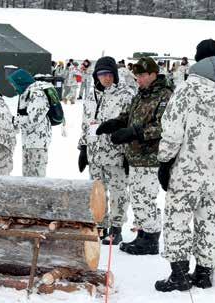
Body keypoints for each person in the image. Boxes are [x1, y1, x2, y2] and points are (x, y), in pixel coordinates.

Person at [154, 39, 215, 292]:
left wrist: (164, 161)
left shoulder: (187, 89)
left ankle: (179, 274)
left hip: (186, 171)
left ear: (198, 59)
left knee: (177, 219)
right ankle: (205, 272)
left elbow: (172, 131)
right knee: (209, 220)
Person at [97, 57, 172, 252]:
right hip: (136, 157)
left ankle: (151, 239)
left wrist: (135, 132)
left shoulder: (164, 96)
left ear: (153, 74)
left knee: (145, 198)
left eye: (141, 75)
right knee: (138, 199)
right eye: (136, 75)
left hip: (151, 157)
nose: (138, 79)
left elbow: (164, 126)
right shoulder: (141, 94)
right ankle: (144, 235)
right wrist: (116, 123)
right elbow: (128, 115)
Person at [80, 56, 134, 245]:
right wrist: (83, 147)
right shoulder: (90, 96)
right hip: (95, 155)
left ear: (115, 75)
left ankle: (116, 227)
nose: (106, 78)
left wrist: (129, 152)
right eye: (102, 74)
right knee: (97, 193)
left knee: (119, 192)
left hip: (116, 154)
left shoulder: (126, 95)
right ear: (97, 76)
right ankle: (101, 226)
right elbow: (85, 124)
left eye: (109, 74)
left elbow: (130, 124)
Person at [8, 69, 52, 177]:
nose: (13, 87)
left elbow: (34, 120)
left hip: (38, 143)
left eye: (14, 84)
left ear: (21, 82)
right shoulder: (26, 93)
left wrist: (14, 120)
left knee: (37, 178)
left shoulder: (37, 94)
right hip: (29, 141)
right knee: (27, 177)